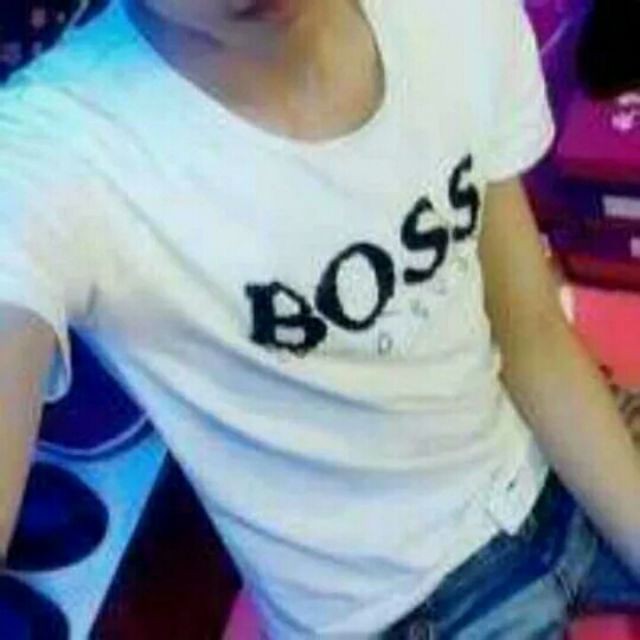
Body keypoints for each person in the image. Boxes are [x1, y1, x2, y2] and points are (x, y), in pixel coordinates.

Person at [0, 0, 639, 637]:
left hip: (545, 457)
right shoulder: (57, 153)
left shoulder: (453, 16)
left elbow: (530, 331)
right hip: (402, 608)